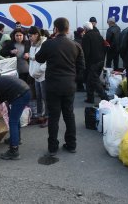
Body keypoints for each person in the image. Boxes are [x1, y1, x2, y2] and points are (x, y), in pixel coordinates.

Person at [35, 17, 85, 156]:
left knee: (54, 117)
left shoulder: (49, 44)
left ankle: (52, 147)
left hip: (52, 85)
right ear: (68, 29)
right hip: (69, 85)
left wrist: (49, 40)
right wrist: (73, 79)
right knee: (69, 115)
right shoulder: (76, 45)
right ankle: (71, 144)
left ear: (55, 29)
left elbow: (39, 58)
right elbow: (82, 67)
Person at [82, 22, 108, 104]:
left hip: (92, 62)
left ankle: (105, 97)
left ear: (85, 29)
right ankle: (90, 98)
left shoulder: (86, 36)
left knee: (94, 80)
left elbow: (86, 51)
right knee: (89, 80)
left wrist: (84, 62)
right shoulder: (98, 35)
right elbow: (105, 46)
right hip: (101, 60)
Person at [28, 26, 48, 128]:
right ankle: (40, 116)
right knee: (38, 97)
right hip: (35, 75)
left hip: (43, 76)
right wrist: (32, 72)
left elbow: (47, 62)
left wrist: (39, 71)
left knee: (46, 98)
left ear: (36, 34)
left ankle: (47, 117)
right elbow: (33, 59)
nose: (29, 38)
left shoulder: (45, 44)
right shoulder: (32, 45)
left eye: (31, 36)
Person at [73, 27, 85, 92]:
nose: (84, 33)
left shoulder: (75, 39)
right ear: (80, 33)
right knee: (80, 73)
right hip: (80, 59)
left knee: (78, 73)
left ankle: (79, 86)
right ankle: (80, 87)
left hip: (76, 59)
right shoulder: (80, 41)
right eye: (83, 32)